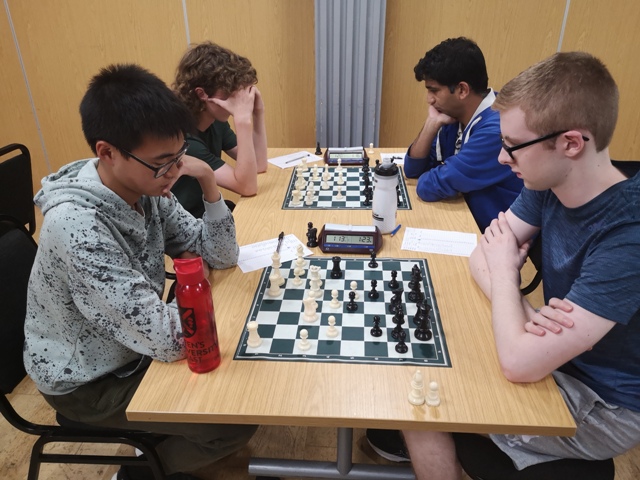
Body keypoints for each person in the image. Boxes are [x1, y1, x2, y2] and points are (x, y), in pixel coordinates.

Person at [401, 52, 640, 479]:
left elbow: (518, 361)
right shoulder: (548, 181)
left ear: (571, 143)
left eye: (512, 146)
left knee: (419, 404)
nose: (501, 158)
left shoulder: (628, 237)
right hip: (554, 357)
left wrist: (505, 274)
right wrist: (525, 314)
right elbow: (482, 254)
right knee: (424, 361)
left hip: (603, 408)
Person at [23, 64, 257, 480]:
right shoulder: (77, 227)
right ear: (107, 152)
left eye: (180, 158)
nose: (174, 172)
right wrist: (210, 301)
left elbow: (220, 255)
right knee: (233, 420)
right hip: (88, 380)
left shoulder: (146, 187)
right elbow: (170, 339)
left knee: (235, 384)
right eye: (162, 163)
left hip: (134, 344)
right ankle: (137, 473)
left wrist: (208, 181)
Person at [403, 37, 523, 231]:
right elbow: (413, 169)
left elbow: (429, 186)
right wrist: (431, 125)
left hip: (497, 236)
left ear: (462, 90)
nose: (429, 100)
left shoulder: (498, 129)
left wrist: (442, 174)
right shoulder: (455, 115)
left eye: (434, 90)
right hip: (468, 221)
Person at [172, 41, 268, 217]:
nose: (238, 99)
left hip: (206, 211)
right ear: (202, 94)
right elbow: (247, 187)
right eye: (229, 92)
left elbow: (259, 164)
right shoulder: (185, 140)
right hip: (187, 221)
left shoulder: (215, 120)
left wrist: (258, 113)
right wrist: (242, 120)